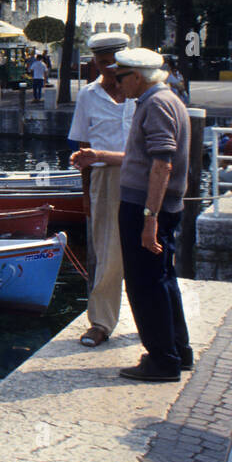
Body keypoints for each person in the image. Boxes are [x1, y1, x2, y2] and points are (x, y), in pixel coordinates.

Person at [72, 48, 192, 381]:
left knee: (144, 285)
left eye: (121, 76)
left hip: (144, 208)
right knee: (163, 281)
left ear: (137, 77)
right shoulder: (165, 100)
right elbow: (142, 158)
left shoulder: (155, 104)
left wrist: (149, 218)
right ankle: (178, 351)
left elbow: (161, 164)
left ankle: (161, 360)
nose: (116, 81)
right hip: (151, 206)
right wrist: (99, 155)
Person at [66, 32, 135, 349]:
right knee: (105, 254)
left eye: (115, 64)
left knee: (148, 248)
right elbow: (83, 148)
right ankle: (101, 322)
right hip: (103, 178)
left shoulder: (141, 94)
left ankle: (152, 319)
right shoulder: (88, 97)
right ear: (94, 62)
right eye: (103, 64)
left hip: (142, 175)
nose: (110, 70)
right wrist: (85, 197)